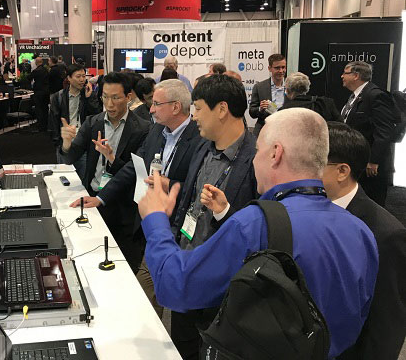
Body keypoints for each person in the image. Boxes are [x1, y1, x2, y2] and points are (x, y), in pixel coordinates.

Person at [140, 108, 379, 359]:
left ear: (276, 153)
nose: (254, 160)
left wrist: (156, 219)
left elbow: (175, 286)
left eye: (257, 151)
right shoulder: (361, 231)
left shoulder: (254, 224)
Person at [71, 79, 201, 309]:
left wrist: (170, 184)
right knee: (149, 290)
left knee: (158, 294)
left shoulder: (199, 138)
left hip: (179, 228)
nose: (151, 109)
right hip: (150, 222)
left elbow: (199, 186)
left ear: (175, 107)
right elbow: (133, 167)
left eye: (157, 104)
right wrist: (100, 198)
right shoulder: (156, 131)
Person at [165, 74, 258, 359]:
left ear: (222, 109)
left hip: (223, 285)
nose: (193, 116)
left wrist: (225, 212)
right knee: (182, 346)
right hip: (187, 266)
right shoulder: (202, 147)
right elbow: (189, 200)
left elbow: (260, 228)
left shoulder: (256, 159)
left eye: (198, 108)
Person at [323, 122, 406, 360]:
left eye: (315, 163)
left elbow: (386, 327)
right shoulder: (306, 211)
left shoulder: (385, 234)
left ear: (342, 171)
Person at [60, 72, 150, 257]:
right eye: (105, 97)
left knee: (121, 259)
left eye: (115, 98)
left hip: (123, 205)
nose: (109, 104)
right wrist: (67, 144)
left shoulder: (143, 128)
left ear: (128, 97)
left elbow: (136, 172)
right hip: (93, 196)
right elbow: (70, 159)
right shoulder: (93, 122)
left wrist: (111, 158)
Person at [341, 61, 397, 207]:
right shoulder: (355, 96)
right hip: (357, 160)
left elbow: (384, 131)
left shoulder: (376, 95)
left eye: (345, 73)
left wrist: (374, 160)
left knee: (372, 205)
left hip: (371, 166)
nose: (342, 76)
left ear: (356, 76)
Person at [48, 64, 101, 177]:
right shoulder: (58, 97)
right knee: (65, 176)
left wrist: (89, 98)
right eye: (78, 76)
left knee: (83, 177)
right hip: (65, 142)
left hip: (83, 142)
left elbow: (96, 116)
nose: (82, 79)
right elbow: (53, 122)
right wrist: (58, 143)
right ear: (69, 78)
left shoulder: (88, 95)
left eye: (83, 76)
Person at [249, 53, 286, 136]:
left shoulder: (290, 87)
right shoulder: (259, 87)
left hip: (285, 130)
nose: (281, 71)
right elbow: (252, 112)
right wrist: (260, 108)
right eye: (277, 68)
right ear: (269, 68)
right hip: (264, 130)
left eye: (283, 67)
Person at [28, 57, 50, 131]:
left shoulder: (36, 71)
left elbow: (29, 77)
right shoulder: (46, 70)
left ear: (36, 62)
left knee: (39, 109)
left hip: (38, 92)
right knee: (45, 108)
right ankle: (45, 125)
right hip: (46, 91)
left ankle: (40, 126)